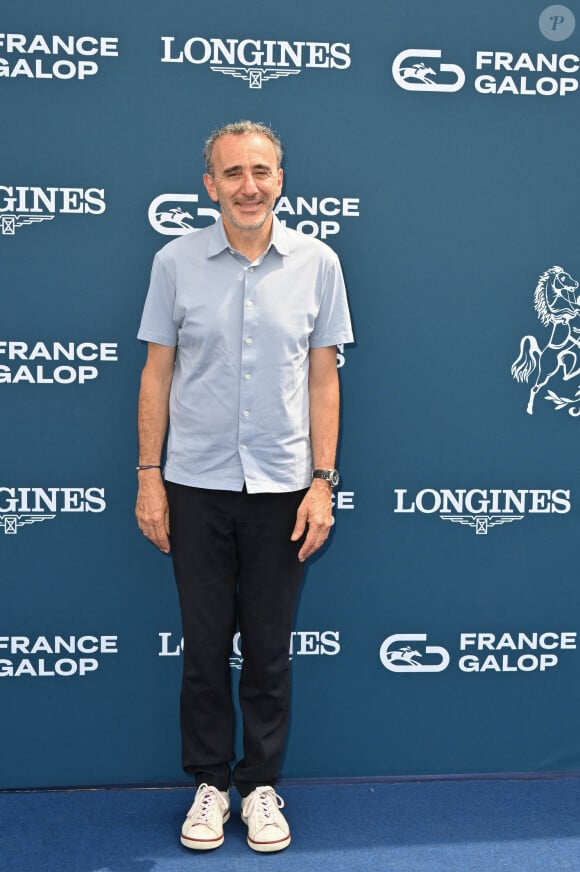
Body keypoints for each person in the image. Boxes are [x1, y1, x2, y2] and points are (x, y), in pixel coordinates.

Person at [135, 120, 353, 853]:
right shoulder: (174, 262)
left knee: (267, 649)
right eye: (232, 173)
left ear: (280, 180)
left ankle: (259, 787)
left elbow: (325, 380)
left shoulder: (319, 263)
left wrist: (323, 481)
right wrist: (149, 477)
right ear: (210, 185)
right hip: (193, 484)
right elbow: (156, 374)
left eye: (261, 171)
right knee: (203, 647)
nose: (248, 186)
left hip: (285, 489)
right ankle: (208, 786)